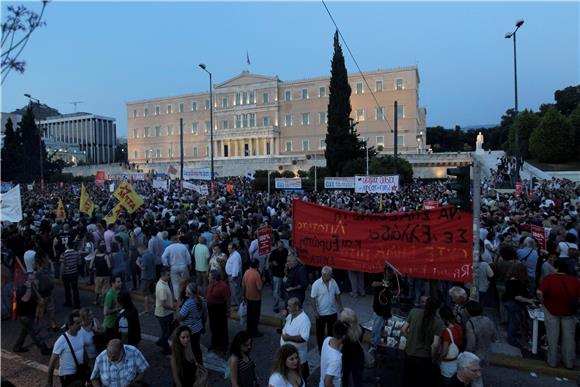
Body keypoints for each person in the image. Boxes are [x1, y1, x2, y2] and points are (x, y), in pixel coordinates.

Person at [536, 260, 579, 369]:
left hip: (551, 310)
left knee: (552, 337)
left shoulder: (549, 279)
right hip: (569, 312)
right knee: (569, 338)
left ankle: (552, 361)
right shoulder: (575, 280)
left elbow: (539, 292)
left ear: (557, 268)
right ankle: (569, 362)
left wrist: (543, 301)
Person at [401, 297, 443, 387]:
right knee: (420, 382)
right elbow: (435, 345)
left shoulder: (413, 312)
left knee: (407, 380)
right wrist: (434, 359)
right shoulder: (438, 322)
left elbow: (404, 329)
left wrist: (410, 338)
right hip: (424, 357)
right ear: (437, 309)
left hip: (409, 352)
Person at [46, 311, 91, 387]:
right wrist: (49, 383)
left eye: (80, 322)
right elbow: (52, 364)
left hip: (80, 371)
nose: (81, 325)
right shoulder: (61, 341)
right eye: (78, 323)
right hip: (68, 376)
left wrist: (88, 365)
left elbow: (83, 349)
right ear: (70, 325)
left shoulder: (81, 333)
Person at [12, 273, 51, 355]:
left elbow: (39, 300)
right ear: (26, 281)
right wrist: (29, 287)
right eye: (31, 279)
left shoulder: (33, 288)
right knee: (36, 332)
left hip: (29, 314)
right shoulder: (22, 289)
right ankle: (44, 349)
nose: (33, 281)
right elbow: (25, 299)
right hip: (25, 316)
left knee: (25, 331)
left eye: (34, 279)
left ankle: (17, 347)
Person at [502, 263, 536, 348]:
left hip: (509, 302)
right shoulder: (516, 282)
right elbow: (517, 296)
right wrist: (529, 300)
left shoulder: (511, 280)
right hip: (514, 304)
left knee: (512, 320)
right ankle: (512, 339)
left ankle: (512, 334)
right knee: (515, 322)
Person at [311, 266, 342, 352]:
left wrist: (340, 306)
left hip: (332, 312)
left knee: (331, 333)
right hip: (321, 314)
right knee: (320, 333)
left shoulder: (333, 282)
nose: (332, 276)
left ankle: (330, 349)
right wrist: (315, 311)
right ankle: (321, 350)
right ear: (324, 275)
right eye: (330, 274)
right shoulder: (316, 284)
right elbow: (312, 299)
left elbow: (337, 294)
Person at [280, 297, 311, 379]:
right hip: (287, 357)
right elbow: (285, 327)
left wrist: (288, 338)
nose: (287, 307)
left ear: (296, 307)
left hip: (298, 360)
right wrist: (283, 318)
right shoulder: (290, 315)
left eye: (289, 306)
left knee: (299, 380)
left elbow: (303, 338)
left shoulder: (304, 320)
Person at [177, 282, 207, 364]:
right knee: (196, 347)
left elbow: (179, 317)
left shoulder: (188, 303)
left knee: (187, 348)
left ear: (189, 293)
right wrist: (203, 325)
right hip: (198, 327)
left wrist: (179, 305)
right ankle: (200, 365)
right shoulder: (202, 300)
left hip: (188, 330)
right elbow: (204, 315)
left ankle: (190, 365)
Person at [369, 264, 395, 352]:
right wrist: (383, 283)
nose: (389, 276)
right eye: (388, 274)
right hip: (378, 307)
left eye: (390, 274)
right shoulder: (379, 275)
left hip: (388, 307)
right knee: (376, 327)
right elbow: (372, 283)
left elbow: (400, 289)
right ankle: (374, 345)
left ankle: (383, 343)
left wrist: (393, 292)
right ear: (384, 272)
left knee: (386, 327)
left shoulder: (394, 278)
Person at [464, 301, 497, 367]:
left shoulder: (470, 323)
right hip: (487, 352)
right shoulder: (488, 319)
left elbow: (471, 343)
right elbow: (494, 337)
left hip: (475, 354)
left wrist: (466, 353)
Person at [438, 305, 464, 385]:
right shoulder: (458, 327)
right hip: (456, 361)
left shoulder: (447, 332)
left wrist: (439, 359)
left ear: (444, 318)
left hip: (447, 365)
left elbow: (445, 351)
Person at [338, 308, 364, 387]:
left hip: (347, 359)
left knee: (345, 378)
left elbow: (339, 348)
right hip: (359, 358)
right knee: (357, 380)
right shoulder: (360, 329)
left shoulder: (344, 336)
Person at [206, 270, 230, 353]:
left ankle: (223, 346)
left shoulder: (223, 286)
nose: (208, 277)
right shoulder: (210, 283)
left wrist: (228, 311)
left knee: (222, 327)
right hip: (211, 308)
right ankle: (215, 344)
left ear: (214, 278)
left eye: (209, 276)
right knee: (213, 326)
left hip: (219, 309)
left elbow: (227, 299)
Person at [162, 234, 192, 301]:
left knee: (175, 283)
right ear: (177, 240)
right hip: (183, 266)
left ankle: (178, 298)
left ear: (171, 240)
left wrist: (166, 265)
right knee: (185, 281)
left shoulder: (169, 248)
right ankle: (187, 295)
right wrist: (189, 264)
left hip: (173, 267)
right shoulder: (183, 247)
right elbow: (188, 257)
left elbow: (163, 257)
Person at [319, 320, 348, 387]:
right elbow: (327, 383)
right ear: (343, 336)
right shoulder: (336, 360)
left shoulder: (327, 340)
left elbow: (336, 349)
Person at [155, 266, 174, 355]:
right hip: (164, 314)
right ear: (163, 275)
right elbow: (163, 304)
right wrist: (173, 308)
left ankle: (161, 341)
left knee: (167, 331)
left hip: (165, 313)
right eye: (168, 275)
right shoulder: (162, 287)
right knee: (166, 332)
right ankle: (165, 349)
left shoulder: (163, 283)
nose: (169, 276)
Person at [242, 259, 263, 337]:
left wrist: (243, 296)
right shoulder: (257, 274)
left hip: (248, 297)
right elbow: (259, 288)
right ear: (257, 265)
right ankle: (254, 332)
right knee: (255, 316)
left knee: (249, 315)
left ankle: (249, 330)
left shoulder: (246, 272)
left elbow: (243, 285)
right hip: (256, 298)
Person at [60, 239, 81, 309]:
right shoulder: (77, 253)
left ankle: (68, 302)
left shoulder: (63, 254)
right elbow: (79, 263)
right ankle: (76, 303)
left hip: (66, 274)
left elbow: (62, 265)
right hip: (74, 272)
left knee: (67, 288)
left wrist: (61, 274)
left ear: (67, 246)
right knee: (75, 289)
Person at [269, 240, 288, 313]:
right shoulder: (274, 252)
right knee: (276, 291)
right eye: (279, 247)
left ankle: (286, 306)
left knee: (286, 290)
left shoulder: (286, 251)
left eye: (282, 246)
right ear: (277, 246)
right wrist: (273, 263)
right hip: (277, 275)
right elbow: (270, 261)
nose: (281, 248)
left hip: (285, 275)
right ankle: (276, 306)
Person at [91, 241, 111, 307]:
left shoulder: (95, 257)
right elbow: (109, 266)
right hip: (106, 275)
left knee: (97, 289)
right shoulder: (106, 256)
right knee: (104, 289)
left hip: (98, 275)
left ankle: (96, 301)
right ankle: (103, 302)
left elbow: (90, 266)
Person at [136, 244, 155, 314]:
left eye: (138, 250)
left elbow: (144, 268)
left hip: (146, 278)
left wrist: (138, 263)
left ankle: (146, 310)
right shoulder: (151, 254)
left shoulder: (144, 256)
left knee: (145, 294)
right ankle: (156, 304)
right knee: (152, 292)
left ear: (141, 249)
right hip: (152, 276)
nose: (139, 252)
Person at [103, 275, 123, 341]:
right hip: (110, 325)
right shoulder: (110, 295)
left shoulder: (118, 292)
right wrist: (118, 309)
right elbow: (105, 312)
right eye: (118, 282)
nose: (121, 283)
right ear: (112, 283)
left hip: (116, 324)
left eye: (120, 281)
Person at [226, 243, 242, 308]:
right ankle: (235, 303)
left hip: (234, 276)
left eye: (230, 248)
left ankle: (239, 306)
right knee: (233, 291)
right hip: (231, 275)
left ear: (234, 249)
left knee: (236, 291)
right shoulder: (232, 254)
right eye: (228, 248)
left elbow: (236, 267)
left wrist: (233, 276)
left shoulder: (236, 256)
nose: (228, 249)